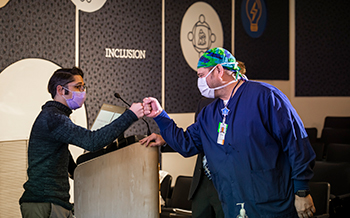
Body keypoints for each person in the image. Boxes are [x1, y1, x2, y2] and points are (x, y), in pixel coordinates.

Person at [142, 47, 316, 218]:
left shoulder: (265, 96)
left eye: (201, 75)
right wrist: (160, 116)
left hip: (271, 204)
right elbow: (186, 144)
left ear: (218, 70)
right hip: (233, 204)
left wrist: (301, 191)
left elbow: (296, 143)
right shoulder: (209, 114)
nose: (200, 82)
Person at [19, 67, 144, 218]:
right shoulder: (54, 118)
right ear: (60, 90)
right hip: (45, 203)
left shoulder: (55, 115)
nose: (82, 91)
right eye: (78, 87)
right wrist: (130, 115)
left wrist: (78, 172)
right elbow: (92, 142)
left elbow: (60, 151)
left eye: (83, 87)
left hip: (50, 202)